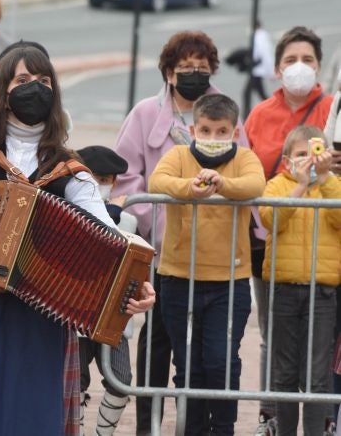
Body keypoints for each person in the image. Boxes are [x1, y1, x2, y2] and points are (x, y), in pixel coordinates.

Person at [0, 44, 155, 436]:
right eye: (22, 81)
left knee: (25, 422)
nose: (33, 88)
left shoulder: (71, 172)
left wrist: (135, 287)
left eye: (42, 82)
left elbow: (112, 241)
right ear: (4, 89)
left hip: (36, 320)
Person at [110, 30, 246, 435]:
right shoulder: (143, 114)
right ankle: (148, 428)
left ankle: (200, 427)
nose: (193, 75)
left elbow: (248, 174)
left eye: (201, 69)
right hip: (158, 253)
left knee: (206, 357)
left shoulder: (226, 113)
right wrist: (157, 217)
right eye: (185, 68)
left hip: (215, 261)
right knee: (156, 344)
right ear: (169, 73)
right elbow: (125, 175)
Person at [149, 93, 266, 436]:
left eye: (221, 131)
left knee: (221, 362)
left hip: (229, 282)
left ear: (235, 131)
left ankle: (223, 429)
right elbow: (158, 181)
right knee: (188, 367)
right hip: (177, 279)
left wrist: (222, 183)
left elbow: (256, 184)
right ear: (192, 128)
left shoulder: (245, 157)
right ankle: (191, 429)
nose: (213, 138)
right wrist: (189, 187)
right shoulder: (178, 155)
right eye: (206, 130)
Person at [245, 26, 334, 432]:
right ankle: (271, 416)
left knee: (321, 353)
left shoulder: (332, 109)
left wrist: (325, 176)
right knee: (276, 341)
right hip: (273, 252)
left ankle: (324, 422)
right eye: (290, 60)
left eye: (308, 60)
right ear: (278, 69)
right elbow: (255, 181)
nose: (300, 67)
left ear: (319, 67)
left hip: (327, 261)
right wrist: (296, 181)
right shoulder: (260, 115)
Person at [259, 125, 340, 436]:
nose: (308, 159)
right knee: (285, 372)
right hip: (283, 288)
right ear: (286, 160)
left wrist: (325, 178)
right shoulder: (277, 186)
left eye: (315, 153)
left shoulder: (333, 186)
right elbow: (271, 221)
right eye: (301, 155)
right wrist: (300, 186)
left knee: (318, 375)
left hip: (322, 291)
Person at [75, 145, 137, 436]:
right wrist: (110, 211)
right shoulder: (69, 207)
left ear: (115, 182)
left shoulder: (128, 221)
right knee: (76, 378)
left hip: (113, 314)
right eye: (94, 177)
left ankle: (103, 433)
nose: (101, 184)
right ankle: (76, 429)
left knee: (121, 379)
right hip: (75, 312)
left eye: (106, 178)